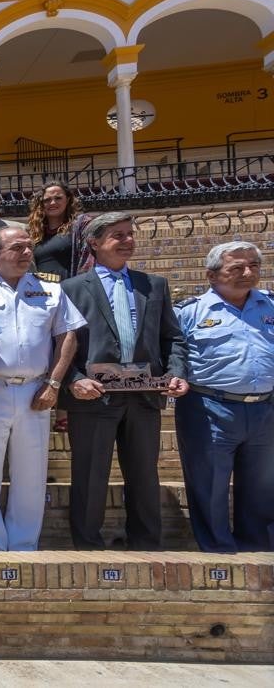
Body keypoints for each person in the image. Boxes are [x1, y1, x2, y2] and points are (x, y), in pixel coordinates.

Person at [60, 212, 188, 551]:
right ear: (95, 243)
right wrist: (73, 379)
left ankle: (145, 542)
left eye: (130, 234)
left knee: (144, 474)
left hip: (144, 395)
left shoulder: (153, 284)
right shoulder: (71, 288)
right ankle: (87, 546)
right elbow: (56, 344)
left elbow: (172, 337)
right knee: (89, 476)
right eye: (118, 235)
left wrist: (175, 372)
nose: (128, 240)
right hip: (93, 396)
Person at [0, 228, 84, 552]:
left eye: (28, 247)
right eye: (16, 248)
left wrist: (54, 383)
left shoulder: (50, 290)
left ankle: (22, 545)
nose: (25, 253)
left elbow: (67, 336)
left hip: (36, 390)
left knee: (31, 474)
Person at [175, 241, 274, 553]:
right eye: (237, 268)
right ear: (212, 275)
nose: (248, 273)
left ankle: (257, 548)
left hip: (265, 408)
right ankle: (218, 550)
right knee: (211, 484)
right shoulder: (190, 312)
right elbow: (173, 353)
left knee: (262, 485)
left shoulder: (271, 305)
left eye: (253, 266)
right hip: (209, 408)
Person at [27, 181, 85, 279]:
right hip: (41, 291)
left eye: (58, 198)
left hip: (69, 290)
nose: (52, 203)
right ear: (41, 203)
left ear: (67, 200)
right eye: (47, 200)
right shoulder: (33, 233)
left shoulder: (79, 227)